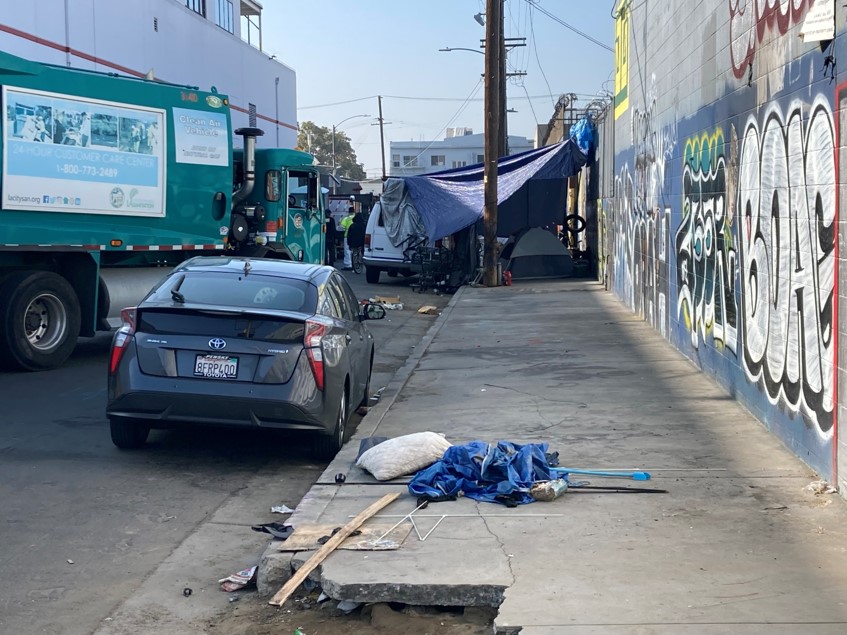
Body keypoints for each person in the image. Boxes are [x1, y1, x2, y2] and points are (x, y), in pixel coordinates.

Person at [339, 203, 356, 270]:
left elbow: (342, 227)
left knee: (347, 250)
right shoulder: (356, 218)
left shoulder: (346, 219)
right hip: (355, 236)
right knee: (354, 250)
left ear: (349, 212)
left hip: (347, 236)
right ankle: (354, 264)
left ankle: (348, 265)